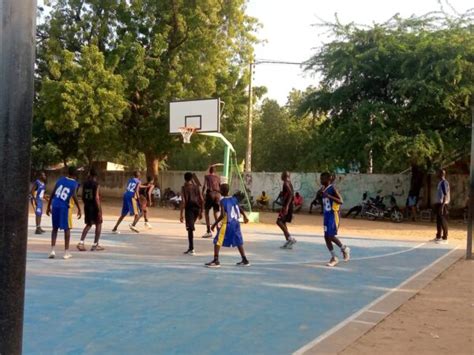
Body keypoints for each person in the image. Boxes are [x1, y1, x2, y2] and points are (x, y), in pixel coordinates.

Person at [205, 183, 250, 268]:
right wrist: (245, 216)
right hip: (236, 223)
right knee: (238, 241)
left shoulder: (222, 201)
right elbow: (239, 208)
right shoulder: (234, 199)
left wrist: (214, 224)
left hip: (227, 223)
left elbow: (222, 215)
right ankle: (244, 259)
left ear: (221, 191)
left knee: (217, 241)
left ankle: (216, 260)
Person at [46, 166, 81, 260]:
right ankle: (66, 252)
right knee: (67, 228)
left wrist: (48, 206)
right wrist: (79, 208)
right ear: (75, 175)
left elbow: (53, 193)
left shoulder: (61, 179)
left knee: (55, 228)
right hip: (63, 206)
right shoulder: (74, 183)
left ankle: (52, 251)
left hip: (55, 204)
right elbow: (74, 196)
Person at [320, 172, 350, 267]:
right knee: (326, 236)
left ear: (328, 179)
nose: (321, 180)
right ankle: (334, 257)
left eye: (322, 178)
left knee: (331, 235)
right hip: (326, 215)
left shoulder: (332, 189)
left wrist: (328, 196)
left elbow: (341, 201)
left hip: (333, 214)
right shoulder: (323, 189)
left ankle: (344, 248)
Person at [77, 169, 104, 251]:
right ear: (96, 176)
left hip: (87, 206)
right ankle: (95, 245)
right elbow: (96, 197)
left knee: (89, 224)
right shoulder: (96, 184)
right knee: (98, 224)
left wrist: (86, 203)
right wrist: (99, 210)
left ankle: (81, 243)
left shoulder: (85, 184)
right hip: (94, 206)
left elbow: (82, 196)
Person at [180, 172, 204, 255]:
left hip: (189, 209)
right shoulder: (197, 187)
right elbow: (201, 199)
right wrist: (201, 211)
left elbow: (183, 201)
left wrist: (181, 214)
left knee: (190, 229)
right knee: (190, 227)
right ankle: (190, 247)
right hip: (197, 208)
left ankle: (192, 248)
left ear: (185, 178)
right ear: (191, 179)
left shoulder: (184, 188)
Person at [277, 171, 297, 249]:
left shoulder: (285, 183)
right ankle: (288, 241)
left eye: (282, 175)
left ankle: (290, 238)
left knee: (278, 221)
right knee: (283, 222)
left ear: (284, 176)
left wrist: (287, 206)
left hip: (287, 205)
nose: (281, 176)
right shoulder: (289, 182)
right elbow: (290, 194)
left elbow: (291, 194)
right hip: (288, 205)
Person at [202, 165, 221, 238]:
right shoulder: (218, 177)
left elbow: (204, 186)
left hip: (210, 194)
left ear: (209, 171)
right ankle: (218, 230)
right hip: (218, 195)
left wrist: (202, 194)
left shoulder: (207, 176)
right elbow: (220, 186)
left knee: (206, 212)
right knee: (216, 213)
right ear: (215, 171)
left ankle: (208, 231)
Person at [432, 169, 450, 244]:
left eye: (438, 173)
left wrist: (442, 206)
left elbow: (445, 195)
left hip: (443, 204)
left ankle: (445, 238)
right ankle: (438, 236)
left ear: (442, 174)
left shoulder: (444, 183)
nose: (436, 174)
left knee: (443, 221)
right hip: (439, 204)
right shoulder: (440, 183)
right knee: (438, 221)